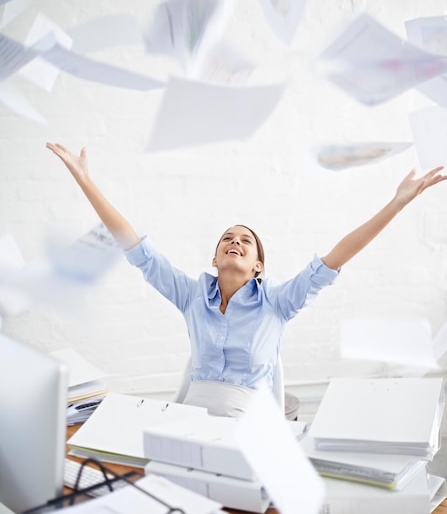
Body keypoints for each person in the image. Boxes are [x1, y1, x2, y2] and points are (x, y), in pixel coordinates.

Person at [46, 142, 446, 417]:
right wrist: (85, 180)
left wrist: (396, 203)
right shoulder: (190, 295)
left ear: (258, 265)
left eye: (246, 241)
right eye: (227, 239)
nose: (235, 242)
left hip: (248, 422)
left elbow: (337, 257)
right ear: (216, 257)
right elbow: (134, 246)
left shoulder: (278, 302)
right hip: (189, 418)